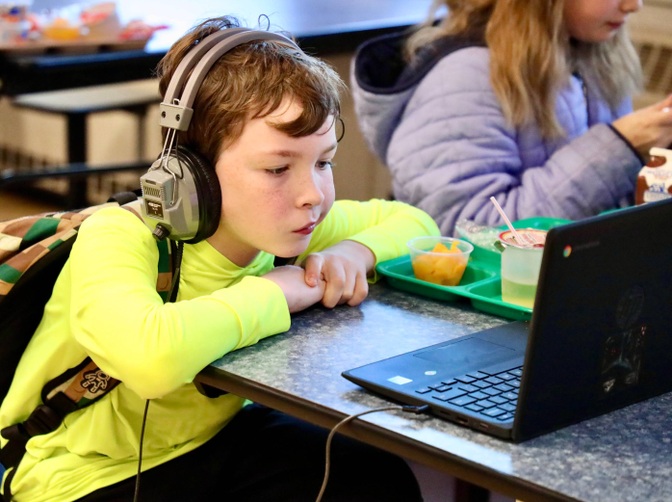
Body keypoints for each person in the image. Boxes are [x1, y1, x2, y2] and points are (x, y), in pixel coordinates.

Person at [0, 16, 439, 501]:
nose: (312, 194)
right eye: (277, 168)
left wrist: (354, 251)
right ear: (193, 174)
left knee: (377, 477)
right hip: (80, 474)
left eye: (324, 162)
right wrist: (276, 291)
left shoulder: (282, 228)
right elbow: (150, 357)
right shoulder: (122, 236)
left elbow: (415, 224)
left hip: (206, 439)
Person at [351, 0, 672, 236]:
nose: (634, 5)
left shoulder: (593, 60)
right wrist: (620, 149)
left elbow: (612, 207)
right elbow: (465, 229)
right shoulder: (463, 77)